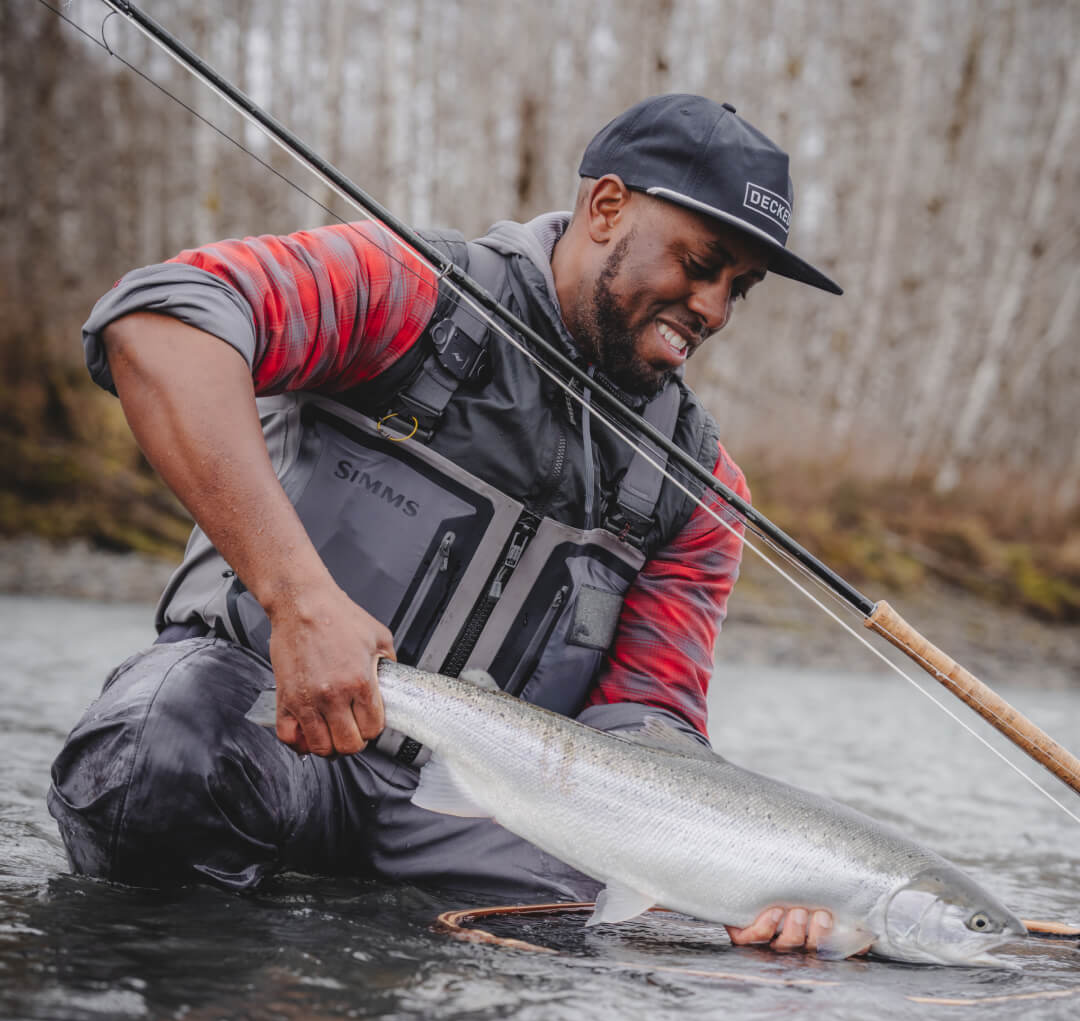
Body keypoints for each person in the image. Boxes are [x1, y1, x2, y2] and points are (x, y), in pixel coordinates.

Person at [49, 94, 844, 953]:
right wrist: (297, 600)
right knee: (156, 747)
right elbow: (159, 321)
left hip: (476, 811)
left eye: (740, 288)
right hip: (258, 724)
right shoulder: (408, 291)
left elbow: (647, 723)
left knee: (649, 934)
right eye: (701, 262)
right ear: (606, 206)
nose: (715, 309)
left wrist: (745, 886)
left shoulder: (701, 484)